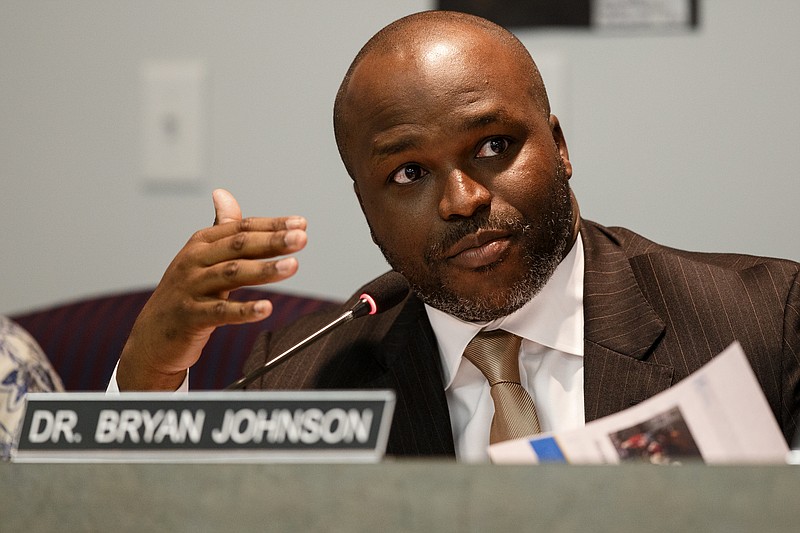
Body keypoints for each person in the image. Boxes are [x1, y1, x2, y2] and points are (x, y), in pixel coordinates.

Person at [113, 11, 800, 461]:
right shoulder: (305, 380)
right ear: (365, 205)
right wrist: (150, 371)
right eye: (409, 172)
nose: (463, 199)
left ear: (559, 147)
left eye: (495, 145)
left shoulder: (765, 320)